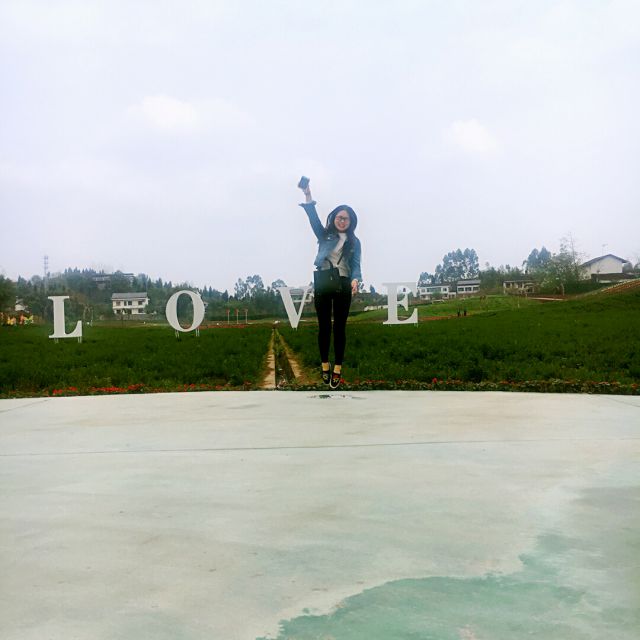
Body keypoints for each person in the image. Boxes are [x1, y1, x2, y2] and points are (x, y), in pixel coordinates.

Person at [299, 178, 362, 389]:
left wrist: (355, 280)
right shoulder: (325, 235)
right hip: (324, 282)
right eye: (339, 217)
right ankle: (325, 363)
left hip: (343, 284)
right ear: (334, 218)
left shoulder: (354, 242)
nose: (342, 221)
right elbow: (313, 219)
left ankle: (338, 367)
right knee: (324, 326)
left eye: (346, 219)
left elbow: (356, 265)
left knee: (340, 327)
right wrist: (308, 195)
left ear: (351, 222)